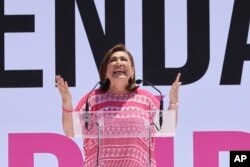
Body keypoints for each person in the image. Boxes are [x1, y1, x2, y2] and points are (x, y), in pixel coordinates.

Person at [56, 43, 181, 167]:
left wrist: (173, 102)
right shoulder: (92, 98)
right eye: (113, 60)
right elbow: (70, 131)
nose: (119, 63)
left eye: (124, 59)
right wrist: (66, 102)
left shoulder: (146, 98)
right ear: (105, 72)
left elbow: (166, 127)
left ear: (132, 71)